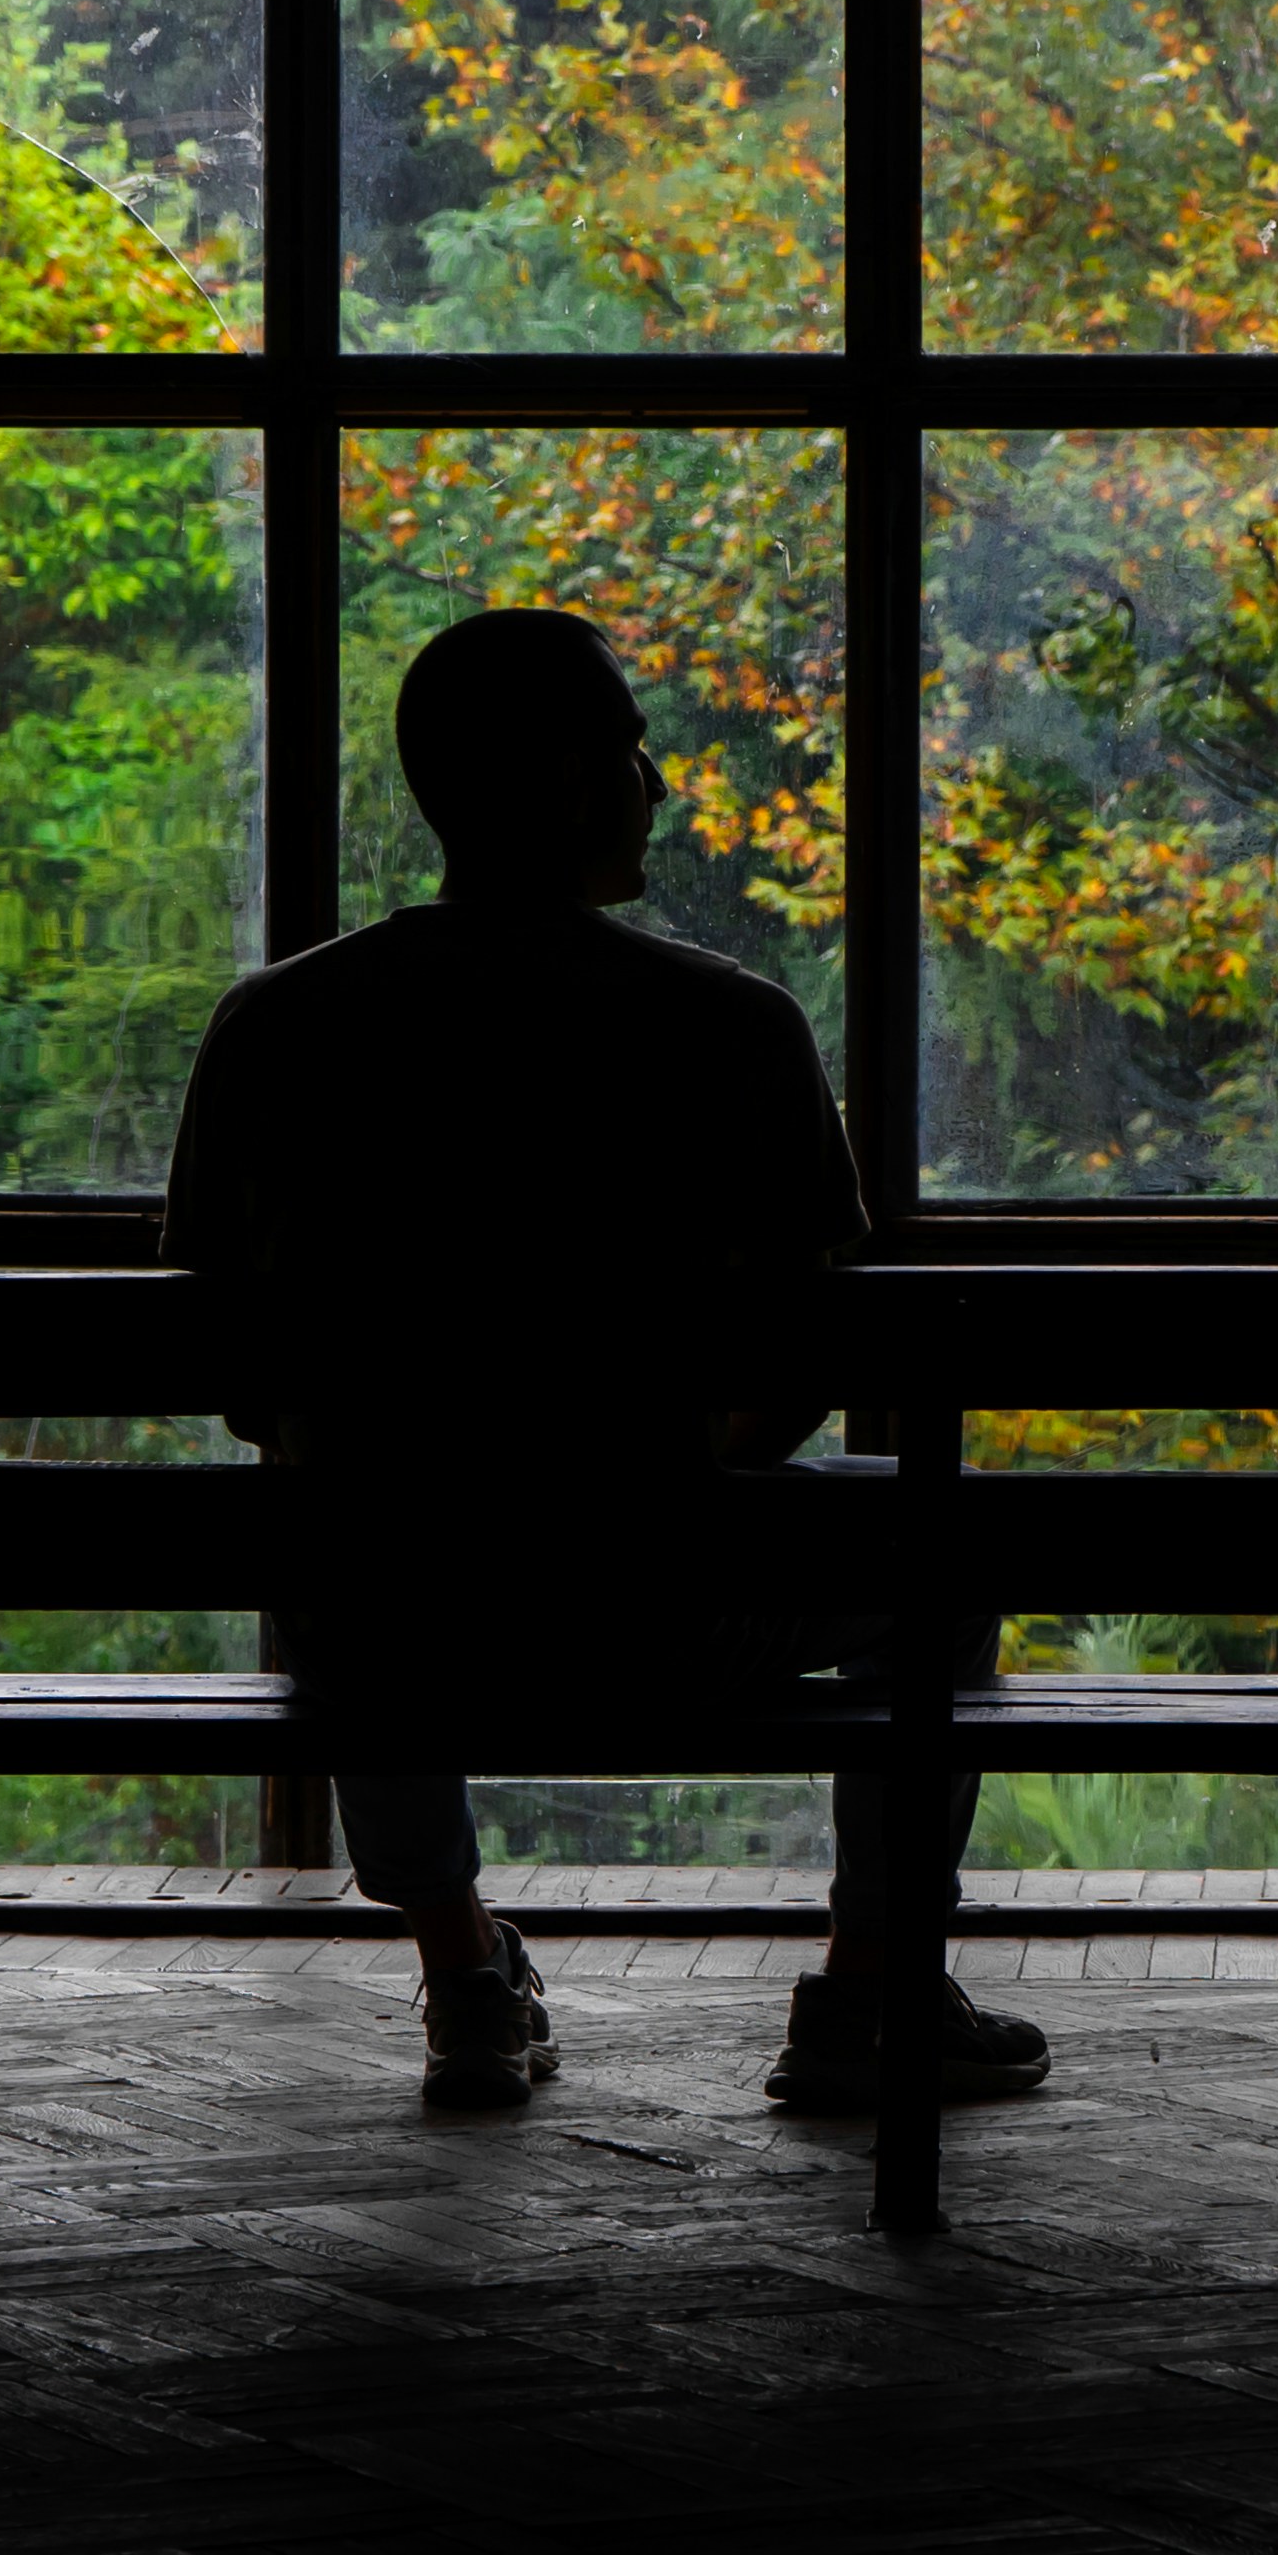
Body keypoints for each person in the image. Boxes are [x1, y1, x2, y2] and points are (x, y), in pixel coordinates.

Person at [160, 606, 1054, 2125]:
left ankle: (465, 1975)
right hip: (664, 1619)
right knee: (943, 1563)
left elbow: (237, 1373)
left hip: (396, 1634)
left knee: (343, 1543)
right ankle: (868, 1994)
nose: (662, 786)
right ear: (576, 781)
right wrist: (682, 1472)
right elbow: (800, 1363)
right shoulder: (731, 1028)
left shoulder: (278, 1024)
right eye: (640, 754)